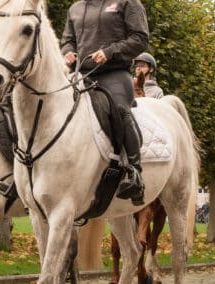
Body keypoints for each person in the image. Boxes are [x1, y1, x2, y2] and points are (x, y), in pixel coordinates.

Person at [61, 0, 149, 205]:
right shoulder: (75, 8)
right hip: (80, 75)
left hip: (114, 73)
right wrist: (67, 51)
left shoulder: (127, 2)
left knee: (119, 109)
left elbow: (140, 38)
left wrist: (109, 52)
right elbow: (68, 40)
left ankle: (134, 172)